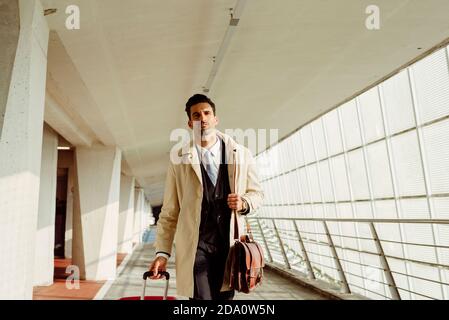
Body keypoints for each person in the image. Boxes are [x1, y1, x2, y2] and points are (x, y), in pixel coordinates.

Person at [148, 94, 264, 300]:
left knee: (224, 299)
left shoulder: (242, 154)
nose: (202, 118)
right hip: (195, 246)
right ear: (190, 123)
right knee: (200, 298)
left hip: (229, 246)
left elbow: (257, 194)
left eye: (206, 113)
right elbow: (170, 211)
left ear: (215, 119)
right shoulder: (179, 159)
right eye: (196, 115)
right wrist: (162, 253)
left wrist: (244, 202)